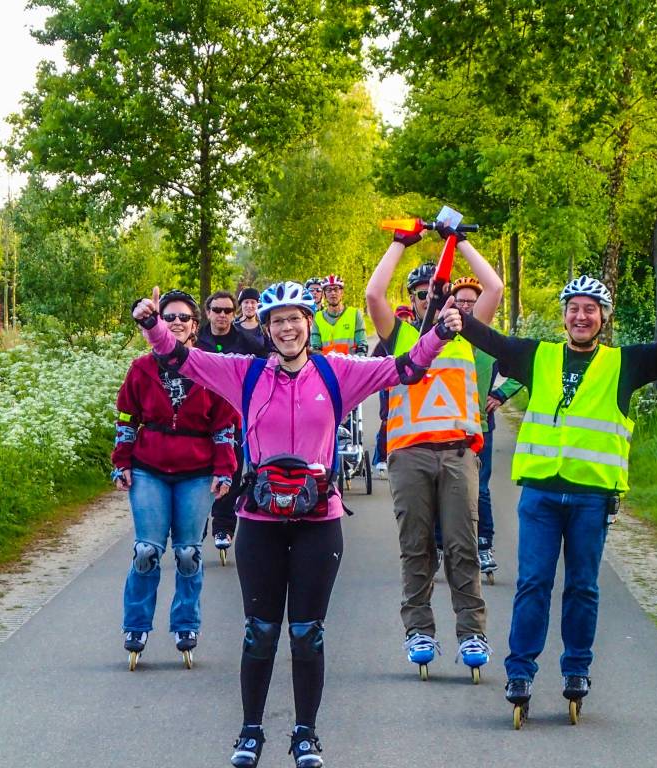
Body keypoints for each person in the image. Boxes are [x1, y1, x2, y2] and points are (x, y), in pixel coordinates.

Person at [131, 281, 464, 768]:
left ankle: (306, 734)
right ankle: (250, 732)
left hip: (317, 521)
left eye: (295, 319)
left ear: (308, 324)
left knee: (307, 632)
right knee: (259, 632)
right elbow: (180, 358)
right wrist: (152, 323)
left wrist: (437, 334)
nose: (287, 328)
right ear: (265, 329)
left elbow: (407, 369)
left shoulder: (338, 374)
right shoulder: (244, 374)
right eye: (277, 321)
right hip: (260, 520)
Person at [456, 274, 657, 721]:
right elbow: (491, 339)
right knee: (533, 584)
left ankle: (576, 670)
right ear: (564, 316)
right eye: (574, 308)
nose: (581, 316)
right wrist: (454, 313)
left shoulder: (623, 364)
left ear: (603, 319)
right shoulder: (538, 356)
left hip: (591, 499)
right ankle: (521, 672)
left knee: (582, 587)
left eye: (590, 309)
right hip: (540, 494)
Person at [365, 223, 503, 681]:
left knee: (463, 545)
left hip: (459, 452)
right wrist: (400, 243)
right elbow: (373, 296)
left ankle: (471, 632)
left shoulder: (467, 334)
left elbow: (495, 287)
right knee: (416, 546)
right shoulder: (400, 338)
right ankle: (419, 629)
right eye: (420, 294)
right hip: (410, 455)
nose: (429, 300)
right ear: (414, 300)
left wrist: (459, 238)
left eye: (434, 293)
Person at [112, 289, 238, 670]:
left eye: (184, 317)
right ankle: (136, 625)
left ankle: (185, 625)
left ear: (194, 326)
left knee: (188, 553)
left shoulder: (209, 368)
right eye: (170, 317)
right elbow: (126, 419)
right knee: (147, 551)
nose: (177, 323)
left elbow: (224, 426)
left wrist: (224, 469)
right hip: (149, 467)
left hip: (196, 473)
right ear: (160, 324)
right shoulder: (141, 369)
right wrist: (122, 461)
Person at [436, 277, 523, 583]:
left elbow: (526, 368)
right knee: (440, 487)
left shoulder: (490, 341)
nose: (466, 306)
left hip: (480, 426)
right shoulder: (443, 338)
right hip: (444, 427)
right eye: (461, 301)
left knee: (480, 490)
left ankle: (484, 545)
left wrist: (500, 394)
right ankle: (437, 545)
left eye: (472, 301)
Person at [196, 290, 261, 559]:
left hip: (233, 414)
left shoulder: (245, 340)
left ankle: (223, 527)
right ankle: (197, 521)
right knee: (199, 469)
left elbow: (268, 361)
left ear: (234, 314)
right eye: (217, 310)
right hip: (198, 413)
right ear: (208, 312)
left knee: (230, 470)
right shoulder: (197, 338)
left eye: (227, 311)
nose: (222, 315)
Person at [371, 305, 416, 477]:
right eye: (401, 317)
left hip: (409, 387)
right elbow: (373, 361)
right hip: (389, 387)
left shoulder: (415, 337)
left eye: (407, 317)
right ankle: (380, 459)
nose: (405, 320)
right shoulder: (389, 339)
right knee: (387, 421)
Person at [312, 274, 367, 356]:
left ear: (342, 292)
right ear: (324, 295)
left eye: (336, 289)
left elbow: (362, 346)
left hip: (351, 365)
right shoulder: (317, 317)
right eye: (329, 290)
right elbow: (315, 349)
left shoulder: (355, 314)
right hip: (328, 366)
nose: (333, 293)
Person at [233, 287, 268, 355]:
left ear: (258, 305)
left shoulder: (264, 328)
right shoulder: (232, 326)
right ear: (241, 304)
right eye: (246, 302)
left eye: (253, 302)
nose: (249, 305)